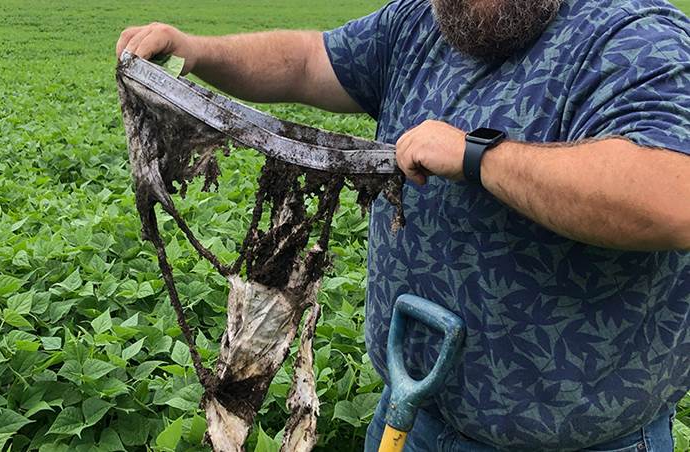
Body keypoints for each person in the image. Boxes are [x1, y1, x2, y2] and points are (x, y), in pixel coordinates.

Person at [116, 0, 690, 450]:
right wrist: (196, 50)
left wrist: (478, 157)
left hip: (574, 442)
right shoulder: (422, 23)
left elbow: (672, 198)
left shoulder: (630, 35)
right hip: (410, 417)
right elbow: (310, 60)